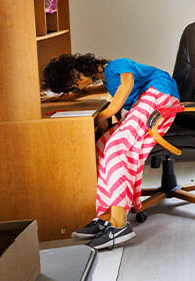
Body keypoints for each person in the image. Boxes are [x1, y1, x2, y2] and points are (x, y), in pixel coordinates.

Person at [43, 53, 179, 250]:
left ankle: (119, 225)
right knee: (102, 144)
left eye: (75, 79)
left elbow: (127, 84)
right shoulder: (106, 82)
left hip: (159, 94)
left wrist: (105, 114)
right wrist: (57, 97)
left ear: (78, 67)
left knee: (117, 147)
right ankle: (105, 216)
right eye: (74, 84)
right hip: (147, 99)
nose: (79, 84)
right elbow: (87, 91)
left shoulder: (117, 66)